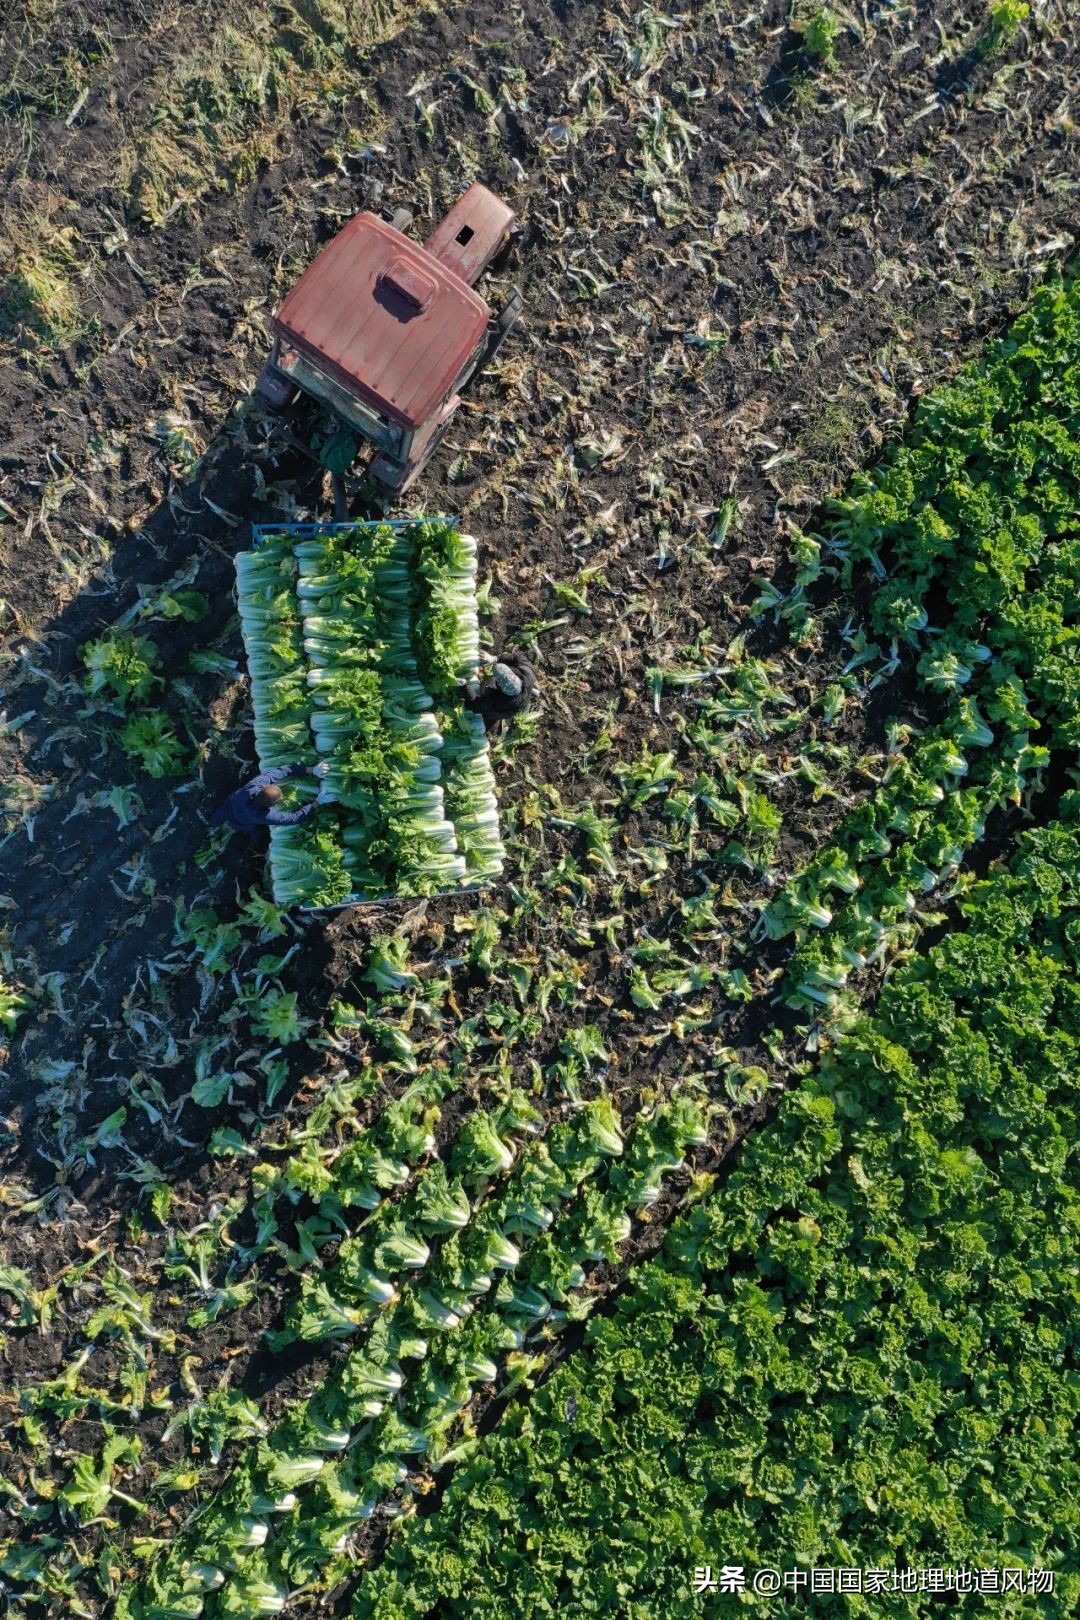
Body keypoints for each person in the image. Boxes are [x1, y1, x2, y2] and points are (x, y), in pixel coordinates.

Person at [211, 761, 331, 834]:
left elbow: (285, 770)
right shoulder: (263, 816)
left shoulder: (255, 785)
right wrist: (317, 802)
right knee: (251, 830)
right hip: (241, 822)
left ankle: (212, 823)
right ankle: (222, 826)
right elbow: (294, 818)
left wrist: (312, 770)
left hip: (231, 804)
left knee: (221, 814)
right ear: (273, 806)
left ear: (263, 788)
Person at [463, 651, 538, 732]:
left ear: (501, 689)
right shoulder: (527, 671)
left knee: (476, 702)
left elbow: (476, 705)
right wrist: (494, 658)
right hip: (522, 692)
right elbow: (518, 656)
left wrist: (463, 686)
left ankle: (492, 720)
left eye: (497, 681)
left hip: (504, 710)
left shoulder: (500, 704)